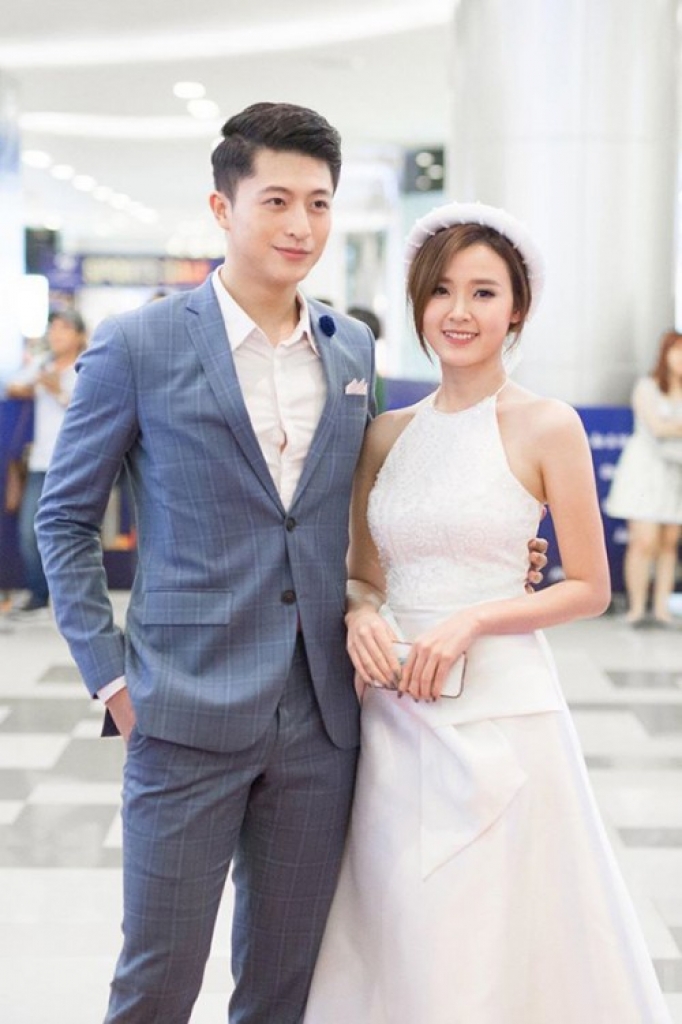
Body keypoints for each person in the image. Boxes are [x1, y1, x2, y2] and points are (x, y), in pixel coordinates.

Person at [35, 105, 544, 1023]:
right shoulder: (139, 343)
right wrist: (111, 679)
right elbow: (65, 517)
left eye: (318, 202)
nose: (301, 224)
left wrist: (501, 544)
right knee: (157, 980)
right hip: (182, 706)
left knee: (286, 986)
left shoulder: (352, 347)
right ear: (222, 208)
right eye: (276, 200)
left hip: (322, 717)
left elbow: (368, 506)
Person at [304, 202, 672, 1023]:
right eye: (441, 291)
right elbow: (363, 576)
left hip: (505, 712)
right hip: (396, 715)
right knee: (403, 928)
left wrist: (474, 620)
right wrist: (361, 615)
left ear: (518, 308)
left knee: (497, 931)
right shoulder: (385, 434)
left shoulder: (547, 425)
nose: (458, 312)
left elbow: (589, 587)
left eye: (482, 292)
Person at [4, 309, 87, 618]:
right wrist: (31, 387)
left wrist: (58, 391)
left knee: (72, 534)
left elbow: (89, 408)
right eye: (52, 328)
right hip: (40, 461)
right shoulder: (42, 364)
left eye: (64, 328)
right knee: (30, 530)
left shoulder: (87, 366)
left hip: (75, 462)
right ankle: (39, 594)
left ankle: (73, 598)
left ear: (79, 335)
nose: (56, 334)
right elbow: (13, 385)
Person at [604, 330, 682, 627]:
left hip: (675, 475)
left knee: (669, 543)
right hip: (644, 473)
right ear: (665, 354)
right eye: (677, 351)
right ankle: (636, 609)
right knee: (643, 541)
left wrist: (671, 425)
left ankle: (661, 609)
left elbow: (666, 426)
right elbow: (657, 428)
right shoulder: (647, 387)